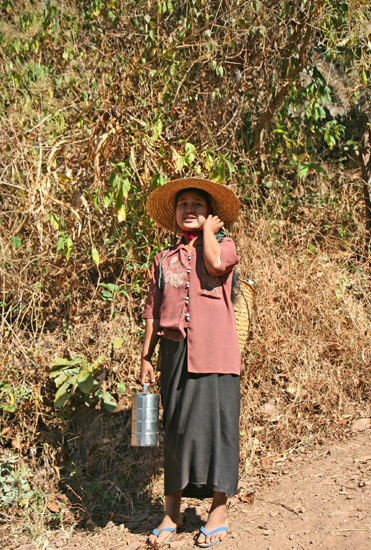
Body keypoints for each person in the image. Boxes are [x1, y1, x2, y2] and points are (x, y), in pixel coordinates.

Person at [140, 177, 241, 547]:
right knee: (178, 430)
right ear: (175, 213)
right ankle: (173, 511)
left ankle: (218, 510)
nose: (190, 210)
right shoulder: (163, 259)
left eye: (199, 204)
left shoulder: (224, 245)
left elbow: (214, 264)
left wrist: (212, 232)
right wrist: (146, 356)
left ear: (211, 214)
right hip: (175, 352)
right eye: (184, 204)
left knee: (219, 429)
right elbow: (152, 310)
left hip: (217, 350)